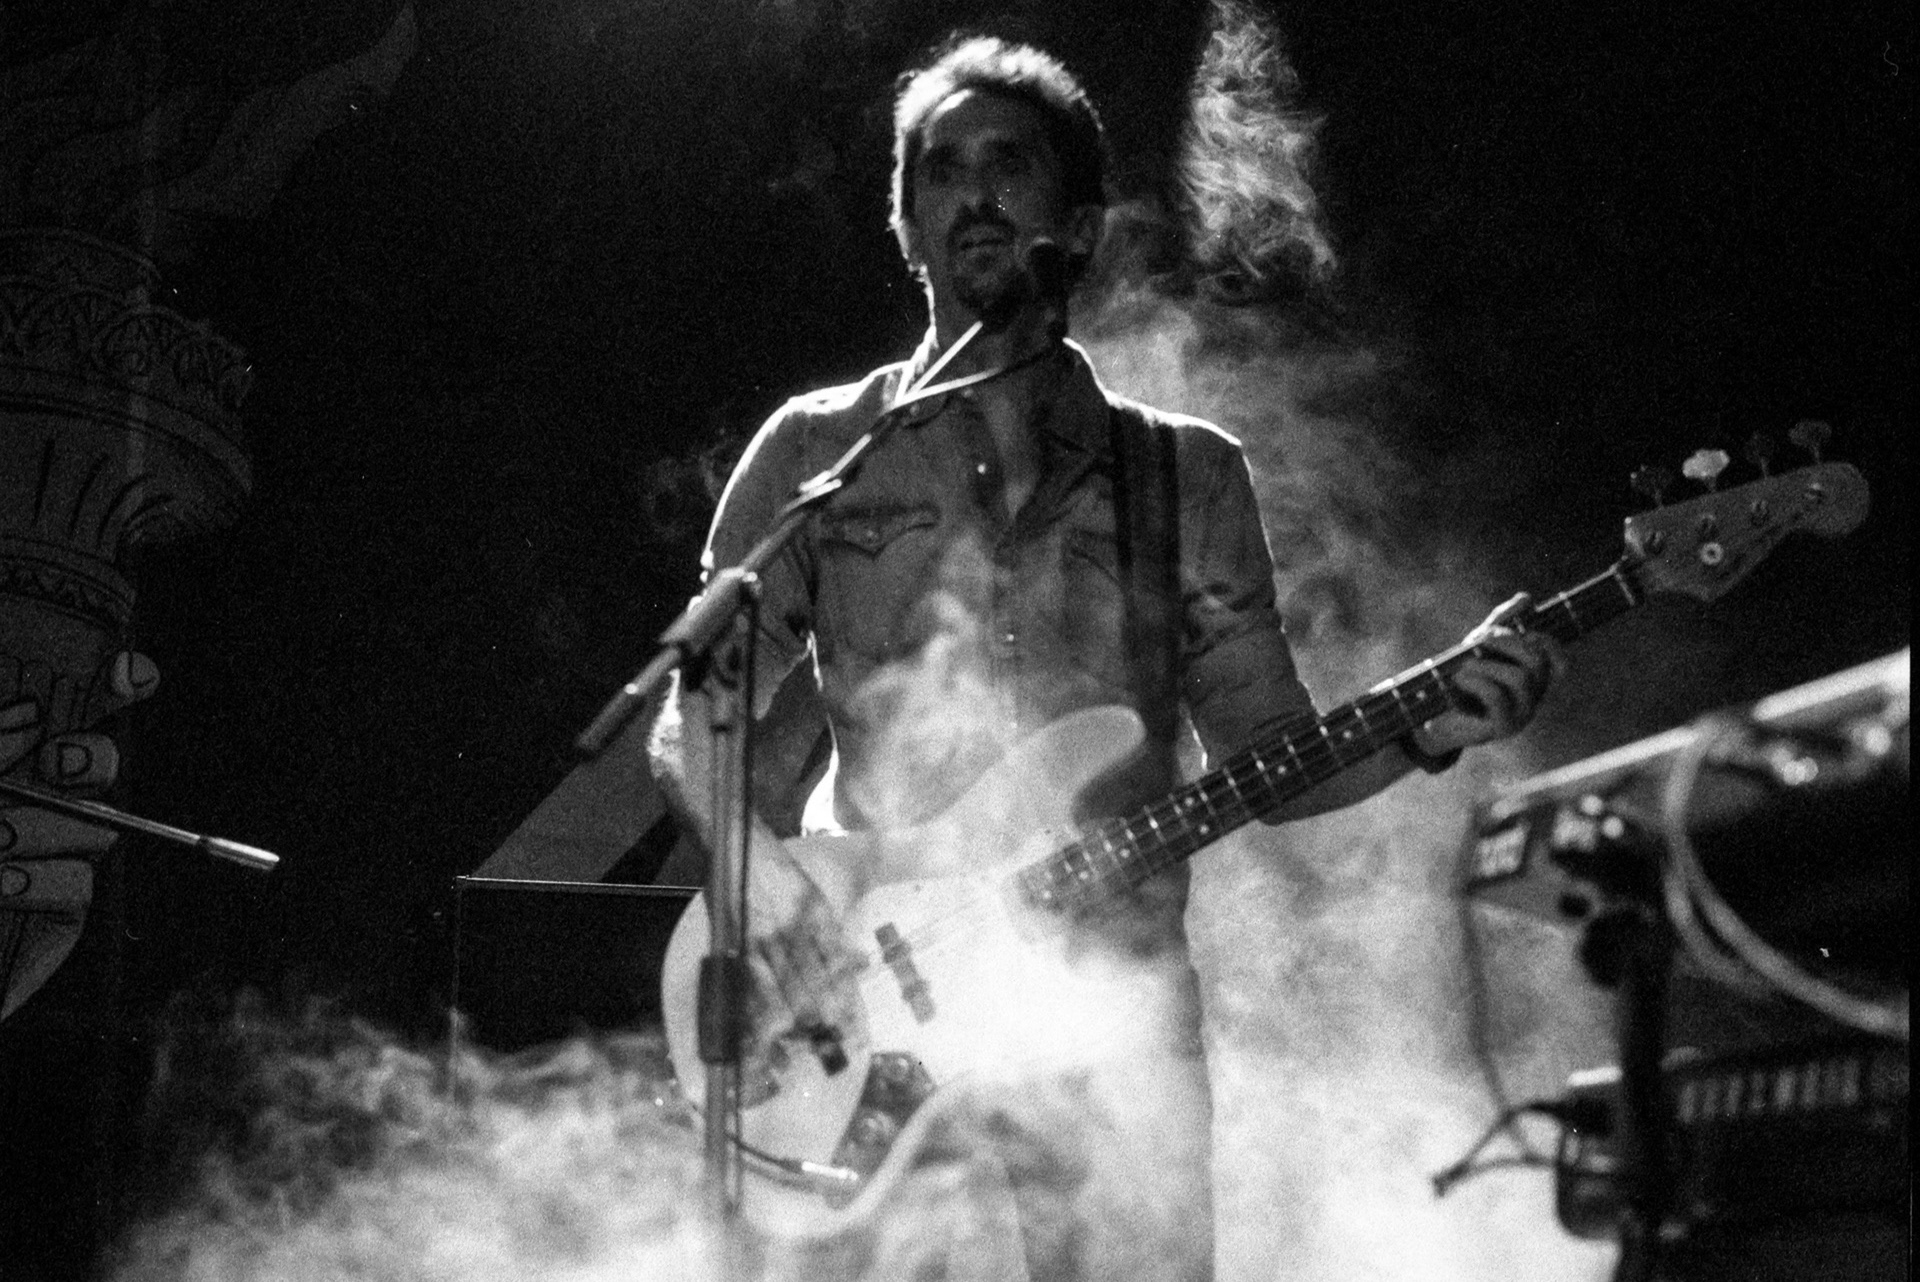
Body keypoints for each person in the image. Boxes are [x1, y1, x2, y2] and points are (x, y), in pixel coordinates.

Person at [647, 35, 1558, 1281]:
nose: (974, 193)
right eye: (941, 170)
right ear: (906, 227)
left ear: (1076, 224)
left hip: (1115, 1020)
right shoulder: (817, 452)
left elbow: (1269, 753)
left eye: (1008, 164)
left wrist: (1438, 721)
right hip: (871, 1001)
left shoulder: (1186, 474)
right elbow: (694, 717)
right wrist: (769, 892)